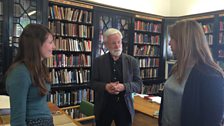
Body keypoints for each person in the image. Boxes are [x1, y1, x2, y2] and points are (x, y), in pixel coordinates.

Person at [159, 20, 224, 126]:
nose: (169, 43)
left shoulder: (211, 76)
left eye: (173, 39)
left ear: (185, 41)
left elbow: (212, 121)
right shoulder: (177, 67)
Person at [90, 28, 143, 126]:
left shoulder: (132, 61)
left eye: (119, 42)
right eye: (113, 43)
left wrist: (124, 87)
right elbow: (92, 83)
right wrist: (106, 87)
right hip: (104, 106)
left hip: (124, 106)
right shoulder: (98, 62)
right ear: (106, 45)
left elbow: (139, 85)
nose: (117, 46)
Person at [5, 24, 55, 126]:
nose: (53, 46)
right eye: (50, 42)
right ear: (36, 44)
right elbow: (17, 120)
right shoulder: (20, 73)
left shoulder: (39, 67)